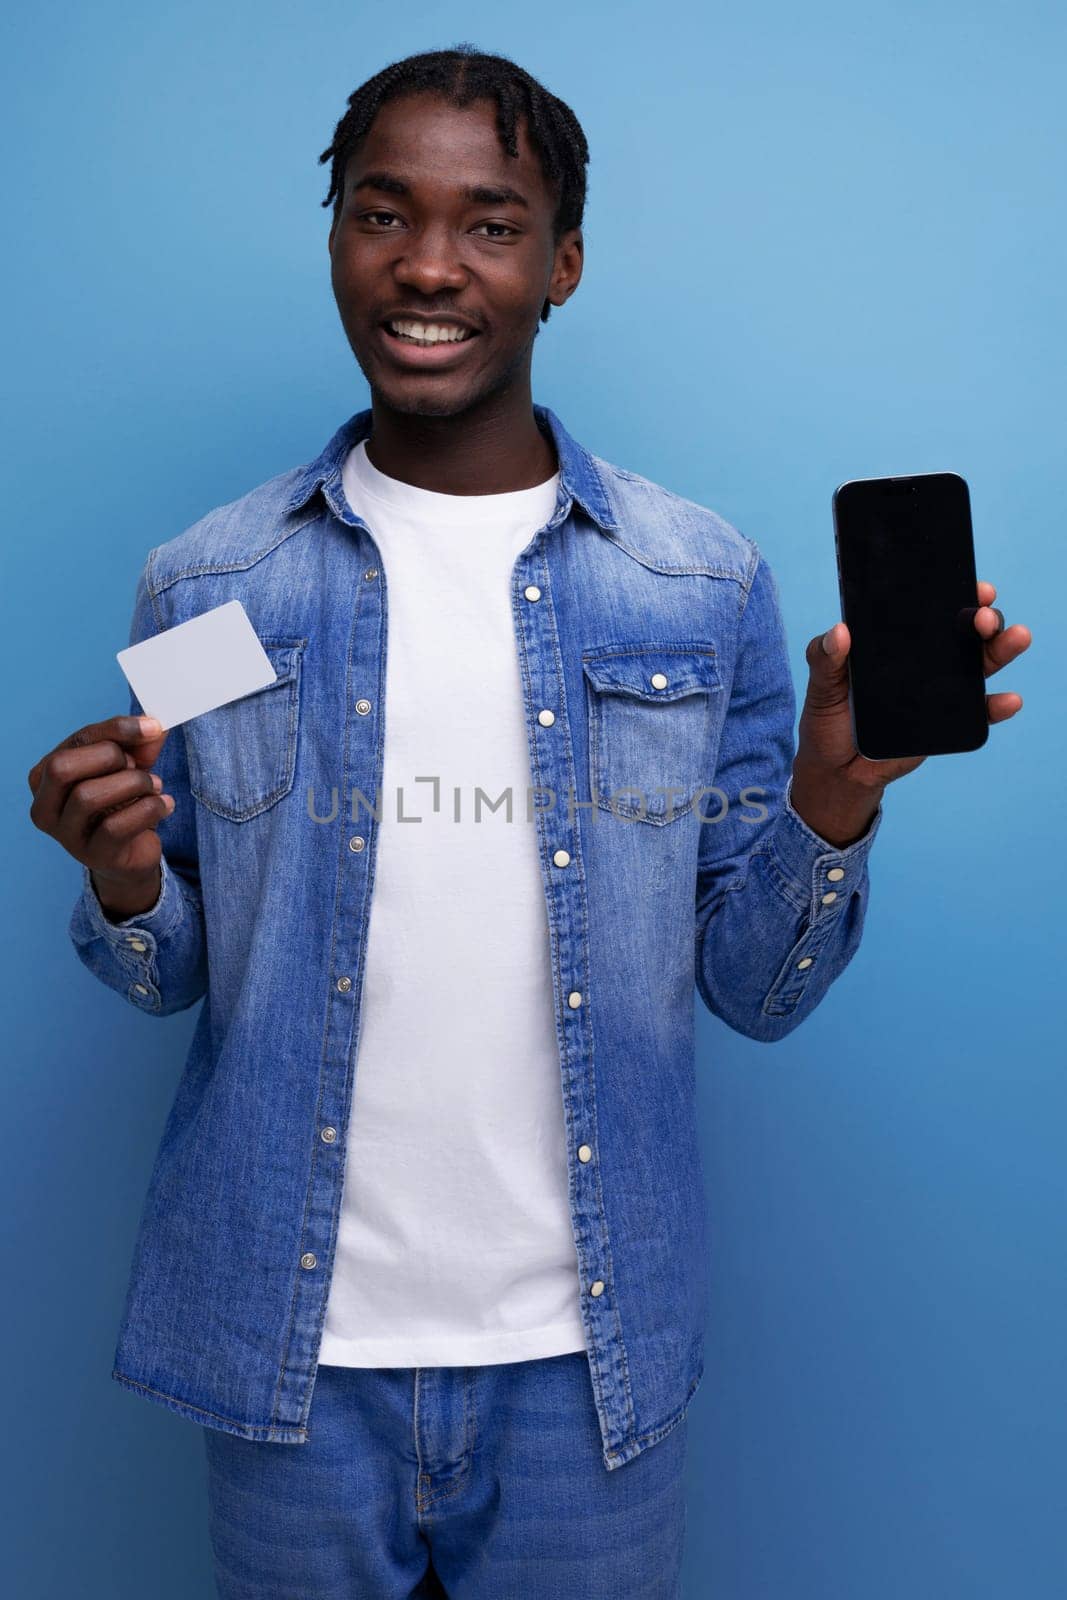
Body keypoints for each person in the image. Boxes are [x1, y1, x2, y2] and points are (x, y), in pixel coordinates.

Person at [27, 44, 1030, 1600]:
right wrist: (126, 876)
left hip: (586, 1359)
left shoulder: (694, 584)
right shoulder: (211, 585)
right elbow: (177, 970)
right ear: (339, 241)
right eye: (383, 214)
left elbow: (753, 993)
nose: (429, 266)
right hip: (293, 1351)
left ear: (561, 262)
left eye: (490, 223)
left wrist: (836, 799)